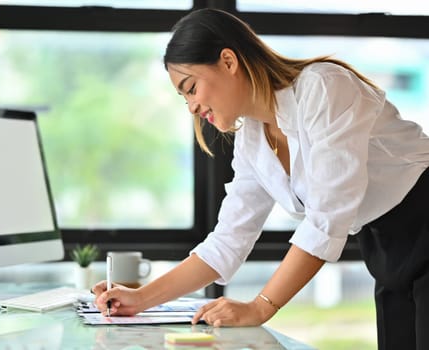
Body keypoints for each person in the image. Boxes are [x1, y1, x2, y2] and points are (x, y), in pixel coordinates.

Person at [92, 8, 429, 349]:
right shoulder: (252, 141)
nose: (191, 107)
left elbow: (326, 219)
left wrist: (260, 306)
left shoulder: (323, 88)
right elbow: (227, 241)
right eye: (184, 97)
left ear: (228, 61)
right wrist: (140, 299)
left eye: (191, 88)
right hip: (384, 244)